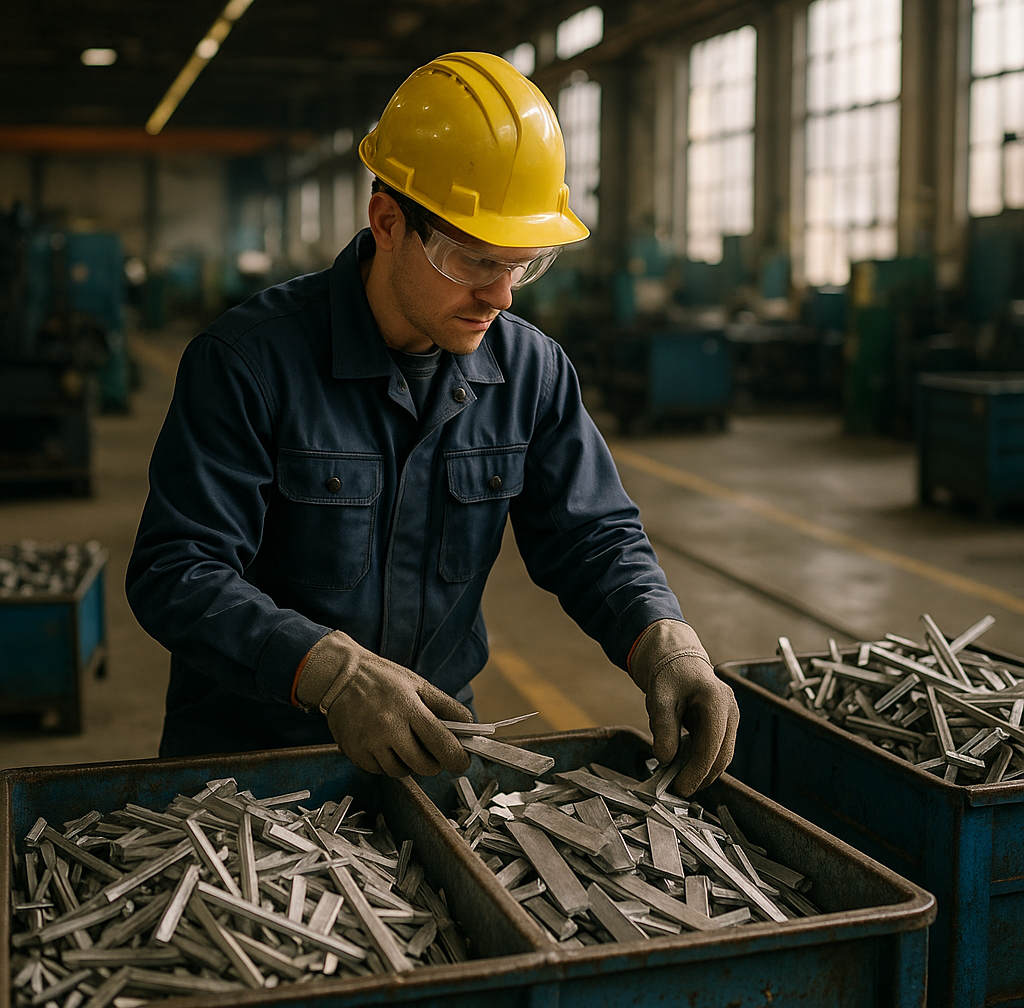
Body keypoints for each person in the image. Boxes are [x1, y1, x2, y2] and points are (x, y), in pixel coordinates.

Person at [126, 51, 738, 796]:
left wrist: (665, 641)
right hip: (249, 775)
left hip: (433, 756)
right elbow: (177, 571)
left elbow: (592, 535)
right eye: (475, 262)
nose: (503, 297)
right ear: (387, 221)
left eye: (524, 264)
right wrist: (329, 673)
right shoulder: (248, 364)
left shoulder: (531, 373)